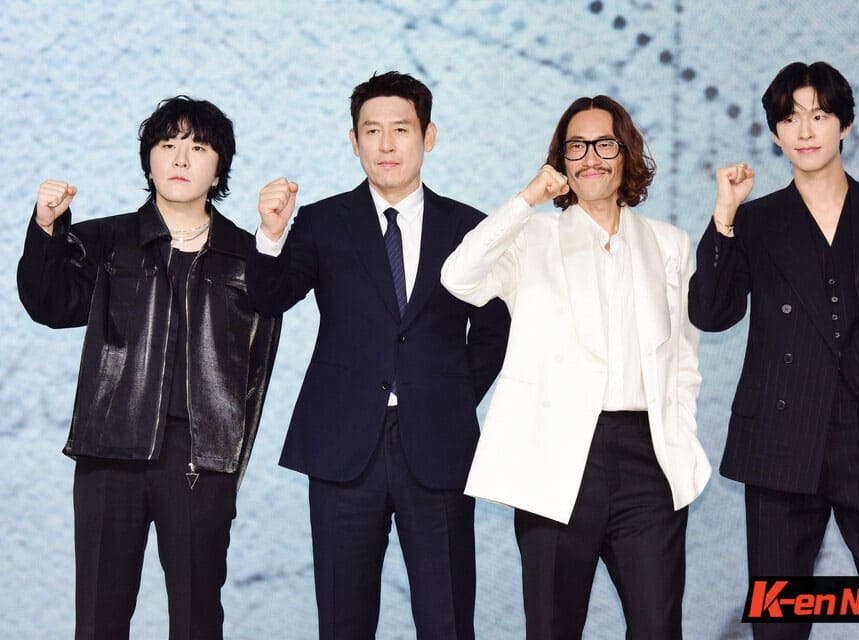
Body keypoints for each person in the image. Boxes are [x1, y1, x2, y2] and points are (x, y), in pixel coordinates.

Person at [687, 61, 859, 640]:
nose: (805, 131)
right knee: (780, 623)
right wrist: (724, 215)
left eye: (820, 115)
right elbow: (710, 312)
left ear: (845, 125)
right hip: (779, 440)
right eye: (790, 119)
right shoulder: (755, 221)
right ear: (775, 132)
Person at [245, 71, 510, 640]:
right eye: (372, 131)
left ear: (428, 136)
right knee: (344, 622)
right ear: (354, 140)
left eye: (401, 129)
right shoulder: (320, 222)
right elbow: (269, 298)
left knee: (447, 621)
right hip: (342, 446)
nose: (386, 145)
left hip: (436, 446)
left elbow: (494, 332)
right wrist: (269, 235)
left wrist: (447, 396)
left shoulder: (469, 228)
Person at [441, 95, 710, 639]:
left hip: (647, 460)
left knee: (659, 628)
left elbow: (684, 360)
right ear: (561, 160)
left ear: (626, 152)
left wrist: (678, 436)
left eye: (604, 144)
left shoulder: (669, 244)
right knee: (552, 627)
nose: (591, 157)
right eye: (576, 146)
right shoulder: (532, 236)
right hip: (556, 458)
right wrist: (527, 200)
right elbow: (459, 277)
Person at [17, 96, 281, 640]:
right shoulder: (106, 241)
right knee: (99, 619)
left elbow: (259, 358)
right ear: (149, 161)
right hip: (109, 450)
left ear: (218, 170)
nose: (180, 158)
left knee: (197, 619)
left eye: (198, 148)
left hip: (200, 458)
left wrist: (229, 462)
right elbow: (50, 304)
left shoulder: (245, 254)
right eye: (167, 145)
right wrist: (46, 229)